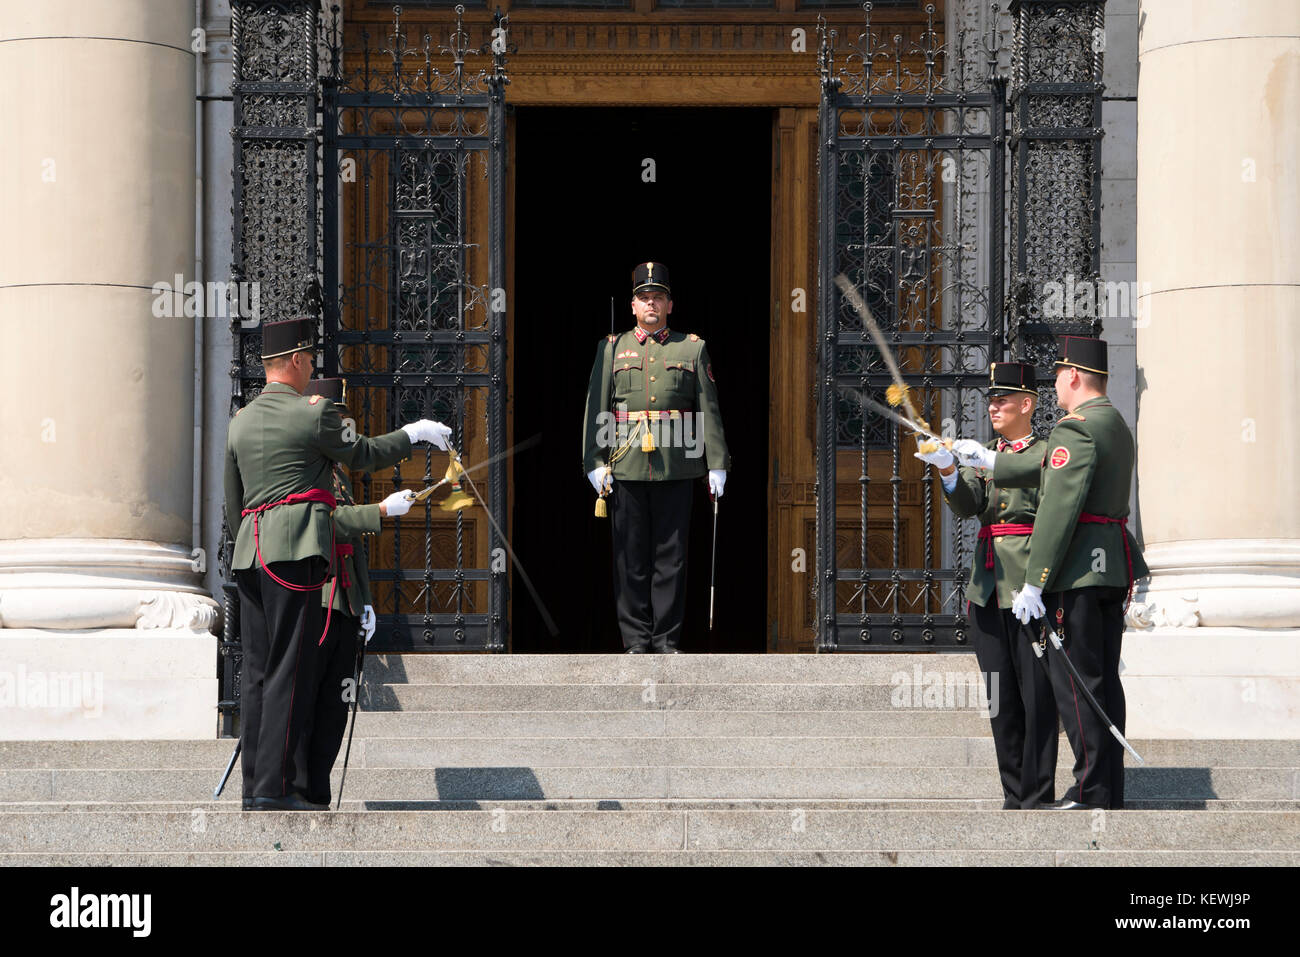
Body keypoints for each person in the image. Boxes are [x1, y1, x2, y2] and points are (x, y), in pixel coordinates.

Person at [224, 318, 450, 810]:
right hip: (296, 552)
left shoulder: (239, 421)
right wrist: (412, 433)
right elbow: (363, 454)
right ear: (296, 361)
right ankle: (278, 790)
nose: (310, 369)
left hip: (251, 552)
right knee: (291, 669)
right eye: (308, 361)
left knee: (259, 673)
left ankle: (256, 788)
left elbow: (233, 500)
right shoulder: (314, 414)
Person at [953, 336, 1149, 810]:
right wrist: (980, 462)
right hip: (1105, 567)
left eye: (1060, 374)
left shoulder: (1074, 428)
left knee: (1077, 686)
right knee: (1099, 682)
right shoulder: (1114, 424)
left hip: (1076, 573)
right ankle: (1101, 788)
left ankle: (1088, 791)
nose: (1057, 383)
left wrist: (1036, 579)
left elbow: (1058, 506)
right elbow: (1031, 476)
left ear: (1074, 376)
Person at [915, 361, 1057, 810]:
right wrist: (949, 471)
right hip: (987, 586)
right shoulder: (985, 453)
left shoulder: (1046, 452)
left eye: (1003, 399)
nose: (993, 406)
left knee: (1037, 697)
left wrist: (1037, 584)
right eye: (991, 400)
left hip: (1028, 588)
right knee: (1001, 699)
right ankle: (1013, 795)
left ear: (1027, 404)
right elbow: (971, 504)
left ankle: (1037, 794)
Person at [581, 263, 729, 653]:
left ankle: (665, 640)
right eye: (644, 298)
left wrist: (717, 463)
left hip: (676, 464)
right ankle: (635, 641)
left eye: (658, 297)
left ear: (669, 304)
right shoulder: (612, 347)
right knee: (629, 559)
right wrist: (594, 460)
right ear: (633, 305)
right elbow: (597, 406)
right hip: (626, 464)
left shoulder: (691, 347)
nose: (651, 304)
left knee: (671, 558)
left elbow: (707, 409)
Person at [301, 377, 381, 808]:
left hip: (345, 601)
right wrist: (378, 512)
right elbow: (330, 525)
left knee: (335, 709)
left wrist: (366, 600)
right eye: (338, 424)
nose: (344, 432)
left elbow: (355, 552)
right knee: (310, 703)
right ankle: (302, 788)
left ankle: (318, 790)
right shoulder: (308, 469)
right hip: (317, 598)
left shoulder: (339, 474)